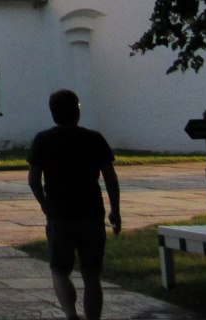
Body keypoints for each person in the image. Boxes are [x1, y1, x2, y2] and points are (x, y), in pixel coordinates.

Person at [28, 89, 121, 320]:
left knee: (59, 270)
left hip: (59, 214)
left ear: (53, 113)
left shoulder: (43, 140)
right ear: (78, 110)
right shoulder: (94, 138)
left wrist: (44, 203)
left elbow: (33, 179)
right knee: (92, 275)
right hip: (91, 212)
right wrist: (115, 210)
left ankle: (70, 314)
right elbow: (110, 177)